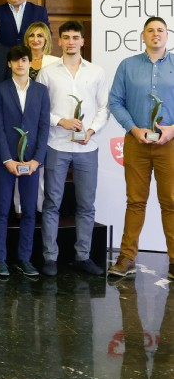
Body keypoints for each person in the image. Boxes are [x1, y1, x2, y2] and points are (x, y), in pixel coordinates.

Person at [36, 20, 109, 276]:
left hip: (87, 147)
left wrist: (90, 131)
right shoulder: (48, 72)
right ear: (59, 41)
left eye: (75, 37)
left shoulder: (97, 72)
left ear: (82, 41)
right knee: (52, 202)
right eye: (65, 37)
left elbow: (104, 107)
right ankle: (50, 258)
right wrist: (61, 121)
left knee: (86, 205)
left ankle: (83, 256)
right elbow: (42, 108)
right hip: (56, 143)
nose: (70, 42)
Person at [108, 16, 174, 280]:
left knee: (171, 202)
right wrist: (134, 130)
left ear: (167, 35)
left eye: (160, 30)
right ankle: (127, 258)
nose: (155, 34)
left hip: (170, 145)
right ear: (143, 36)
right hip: (136, 143)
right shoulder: (128, 65)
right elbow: (115, 101)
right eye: (150, 30)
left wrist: (172, 130)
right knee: (135, 201)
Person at [0, 46, 50, 279]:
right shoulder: (0, 90)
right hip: (6, 161)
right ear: (9, 64)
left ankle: (24, 259)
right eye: (15, 61)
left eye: (24, 60)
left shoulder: (41, 91)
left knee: (29, 211)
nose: (20, 64)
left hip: (32, 162)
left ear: (30, 62)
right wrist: (6, 159)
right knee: (2, 210)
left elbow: (44, 127)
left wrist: (37, 159)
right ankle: (0, 260)